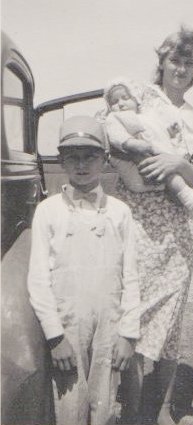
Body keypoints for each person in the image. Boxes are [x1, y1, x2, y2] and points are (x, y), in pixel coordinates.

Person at [114, 27, 193, 425]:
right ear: (162, 63)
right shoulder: (140, 102)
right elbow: (116, 138)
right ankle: (133, 413)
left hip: (178, 230)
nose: (181, 68)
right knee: (132, 321)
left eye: (189, 63)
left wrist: (177, 163)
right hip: (138, 222)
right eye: (175, 60)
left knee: (170, 329)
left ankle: (161, 411)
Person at [27, 115, 140, 425]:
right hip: (68, 328)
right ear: (62, 161)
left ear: (104, 159)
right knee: (70, 409)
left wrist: (129, 333)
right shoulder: (48, 212)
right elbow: (38, 280)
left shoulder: (120, 213)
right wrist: (55, 337)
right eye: (73, 157)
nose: (82, 164)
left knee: (106, 408)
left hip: (110, 326)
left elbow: (131, 275)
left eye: (90, 156)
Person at [96, 77, 193, 217]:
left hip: (154, 180)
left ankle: (190, 199)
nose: (120, 104)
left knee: (167, 167)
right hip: (139, 175)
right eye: (114, 102)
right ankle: (187, 196)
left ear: (136, 99)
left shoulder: (145, 117)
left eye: (125, 98)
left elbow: (156, 131)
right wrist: (131, 144)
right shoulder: (113, 118)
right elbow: (116, 135)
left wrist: (170, 131)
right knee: (164, 169)